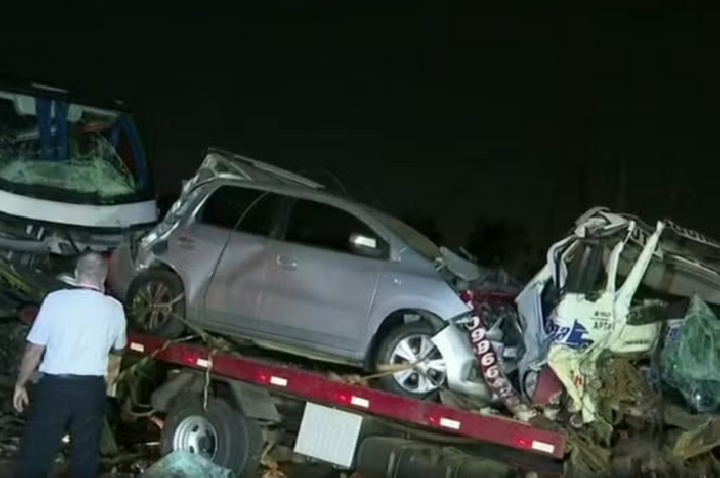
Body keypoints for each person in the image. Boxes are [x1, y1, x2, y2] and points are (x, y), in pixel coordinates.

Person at [14, 252, 127, 478]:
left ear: (76, 274)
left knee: (38, 451)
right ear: (104, 278)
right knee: (86, 456)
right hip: (91, 389)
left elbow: (34, 350)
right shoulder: (115, 308)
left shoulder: (55, 300)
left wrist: (21, 383)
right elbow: (119, 348)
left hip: (55, 388)